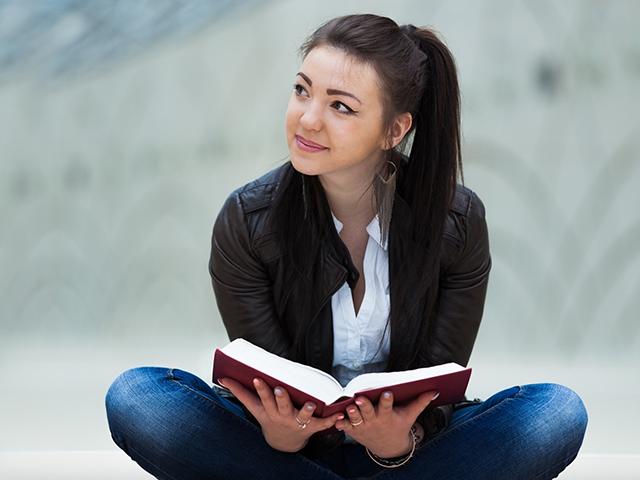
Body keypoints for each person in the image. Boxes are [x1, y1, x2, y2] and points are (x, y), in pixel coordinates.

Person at [105, 13, 588, 479]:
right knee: (137, 398)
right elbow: (266, 380)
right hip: (284, 454)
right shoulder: (247, 220)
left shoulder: (456, 223)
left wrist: (399, 441)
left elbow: (440, 385)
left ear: (394, 129)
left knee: (555, 413)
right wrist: (285, 437)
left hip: (410, 453)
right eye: (301, 91)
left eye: (340, 106)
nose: (307, 119)